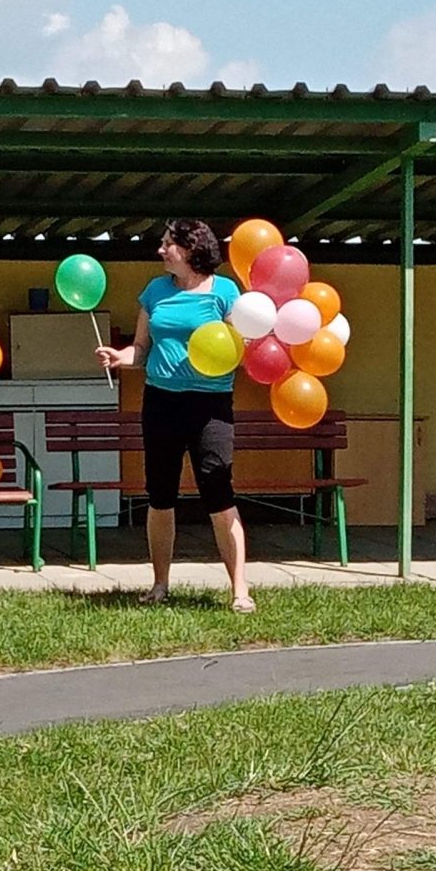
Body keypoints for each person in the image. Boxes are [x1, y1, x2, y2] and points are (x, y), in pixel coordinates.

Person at [95, 219, 254, 613]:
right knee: (160, 494)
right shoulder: (155, 291)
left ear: (191, 248)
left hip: (210, 406)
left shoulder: (224, 292)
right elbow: (141, 349)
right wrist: (120, 357)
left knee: (219, 494)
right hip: (161, 402)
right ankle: (160, 584)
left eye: (168, 244)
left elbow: (240, 348)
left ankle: (240, 591)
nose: (161, 250)